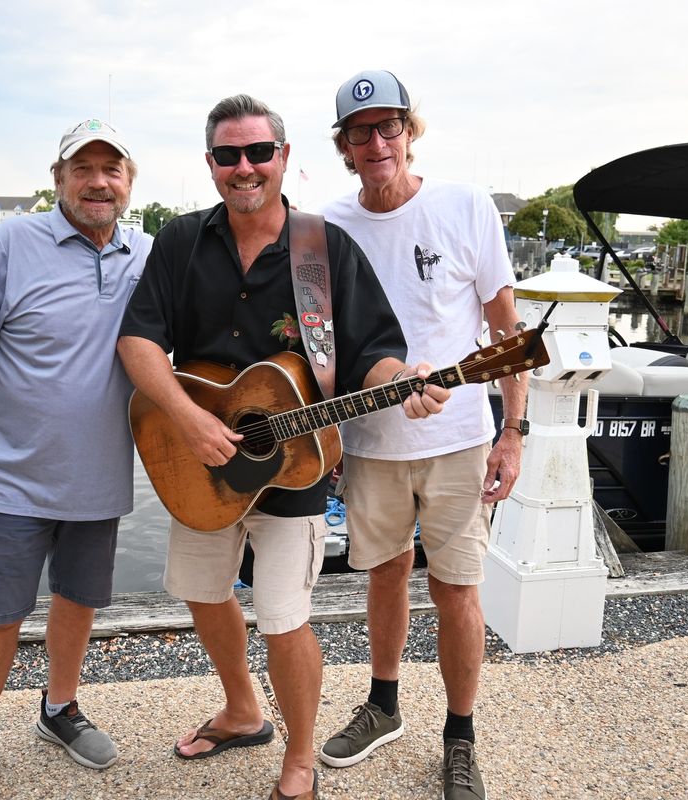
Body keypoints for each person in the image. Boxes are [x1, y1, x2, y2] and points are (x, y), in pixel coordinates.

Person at [117, 94, 450, 800]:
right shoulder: (179, 241)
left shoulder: (321, 249)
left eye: (259, 152)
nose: (246, 167)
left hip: (293, 467)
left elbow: (375, 356)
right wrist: (187, 418)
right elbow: (138, 340)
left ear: (284, 157)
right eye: (229, 155)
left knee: (283, 616)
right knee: (203, 594)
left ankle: (299, 759)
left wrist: (409, 380)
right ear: (211, 165)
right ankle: (243, 710)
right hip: (195, 456)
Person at [316, 71, 528, 800]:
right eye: (360, 132)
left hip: (461, 442)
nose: (377, 143)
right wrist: (347, 416)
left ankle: (460, 735)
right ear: (343, 146)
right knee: (382, 577)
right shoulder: (326, 226)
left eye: (389, 127)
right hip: (371, 444)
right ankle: (384, 703)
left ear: (410, 130)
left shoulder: (466, 206)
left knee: (457, 589)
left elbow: (509, 334)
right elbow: (322, 345)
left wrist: (513, 433)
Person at [0, 119, 151, 800]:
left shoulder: (146, 254)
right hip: (11, 475)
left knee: (79, 599)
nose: (97, 181)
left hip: (101, 476)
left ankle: (59, 709)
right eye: (81, 168)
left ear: (128, 181)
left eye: (111, 168)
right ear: (57, 178)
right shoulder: (11, 241)